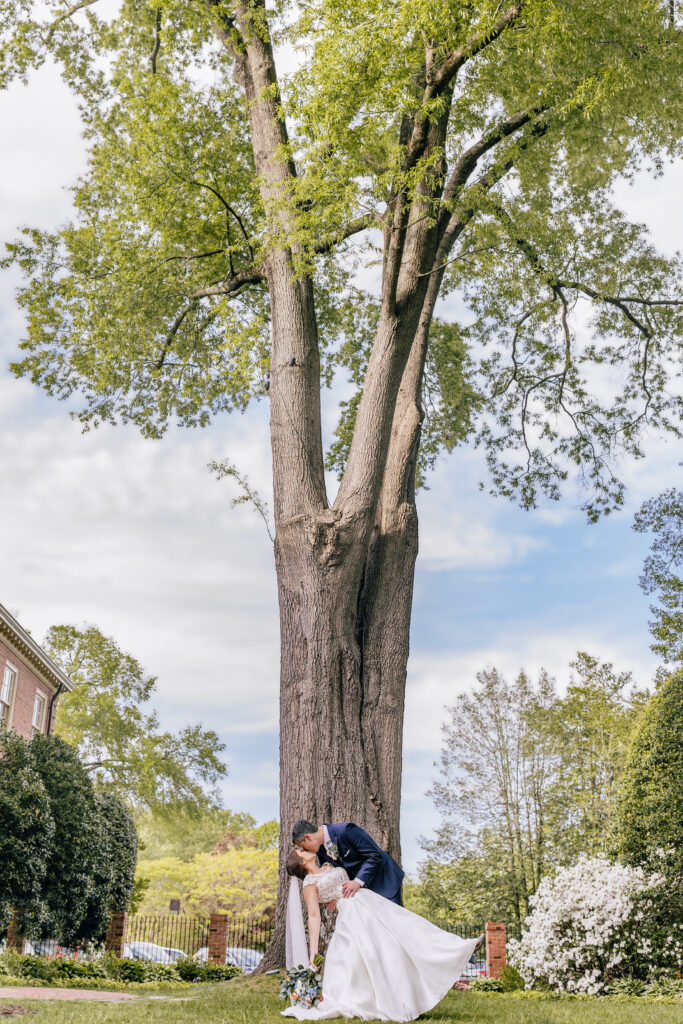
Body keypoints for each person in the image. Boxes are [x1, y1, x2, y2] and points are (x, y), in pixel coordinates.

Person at [281, 846, 482, 1022]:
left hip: (368, 902)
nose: (305, 850)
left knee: (408, 929)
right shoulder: (309, 883)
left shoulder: (328, 865)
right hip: (352, 915)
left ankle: (459, 947)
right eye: (300, 851)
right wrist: (313, 954)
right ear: (300, 861)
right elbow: (314, 917)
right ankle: (382, 1001)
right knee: (373, 955)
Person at [292, 819, 404, 905]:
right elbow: (332, 874)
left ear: (307, 837)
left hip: (385, 882)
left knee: (393, 926)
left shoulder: (346, 830)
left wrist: (357, 882)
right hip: (362, 895)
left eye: (304, 846)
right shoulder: (320, 850)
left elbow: (374, 855)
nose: (306, 850)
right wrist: (331, 898)